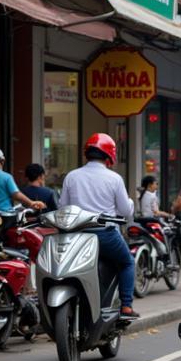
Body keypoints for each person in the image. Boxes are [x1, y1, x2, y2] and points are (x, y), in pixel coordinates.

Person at [60, 134, 139, 319]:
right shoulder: (114, 178)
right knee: (127, 262)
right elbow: (125, 210)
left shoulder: (72, 176)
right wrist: (129, 202)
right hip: (106, 235)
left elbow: (63, 208)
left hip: (77, 236)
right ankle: (126, 306)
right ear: (109, 155)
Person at [0, 147, 45, 224]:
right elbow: (16, 194)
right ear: (1, 161)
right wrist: (31, 203)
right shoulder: (6, 177)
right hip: (5, 218)